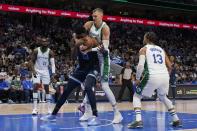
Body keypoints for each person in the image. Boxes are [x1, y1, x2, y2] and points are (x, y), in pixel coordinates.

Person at [41, 27, 101, 126]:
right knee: (67, 90)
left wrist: (78, 42)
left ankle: (95, 116)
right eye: (77, 37)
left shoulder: (92, 40)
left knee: (88, 87)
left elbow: (92, 47)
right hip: (81, 68)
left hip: (93, 67)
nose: (78, 38)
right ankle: (53, 115)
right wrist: (74, 46)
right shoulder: (77, 41)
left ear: (83, 35)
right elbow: (73, 57)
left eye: (79, 36)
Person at [127, 32, 182, 129]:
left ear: (147, 38)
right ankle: (176, 119)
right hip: (164, 76)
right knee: (163, 97)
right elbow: (170, 66)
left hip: (152, 75)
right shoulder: (161, 49)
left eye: (144, 37)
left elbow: (140, 66)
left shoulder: (143, 49)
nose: (143, 38)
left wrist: (138, 79)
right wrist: (165, 75)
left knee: (136, 96)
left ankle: (138, 120)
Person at [80, 8, 123, 124]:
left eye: (96, 16)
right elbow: (81, 38)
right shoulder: (89, 24)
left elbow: (104, 49)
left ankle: (117, 113)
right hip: (93, 60)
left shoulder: (105, 28)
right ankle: (87, 111)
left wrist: (87, 49)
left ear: (101, 16)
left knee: (104, 86)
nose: (93, 18)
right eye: (92, 16)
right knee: (88, 84)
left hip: (103, 59)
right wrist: (81, 44)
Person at [30, 37, 56, 115]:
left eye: (46, 42)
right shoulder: (36, 50)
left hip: (45, 71)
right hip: (37, 70)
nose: (45, 43)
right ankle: (35, 109)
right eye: (43, 42)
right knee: (35, 86)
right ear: (41, 43)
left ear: (48, 43)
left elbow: (53, 64)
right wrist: (33, 71)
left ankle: (49, 109)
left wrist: (53, 74)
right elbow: (31, 61)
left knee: (47, 88)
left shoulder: (50, 52)